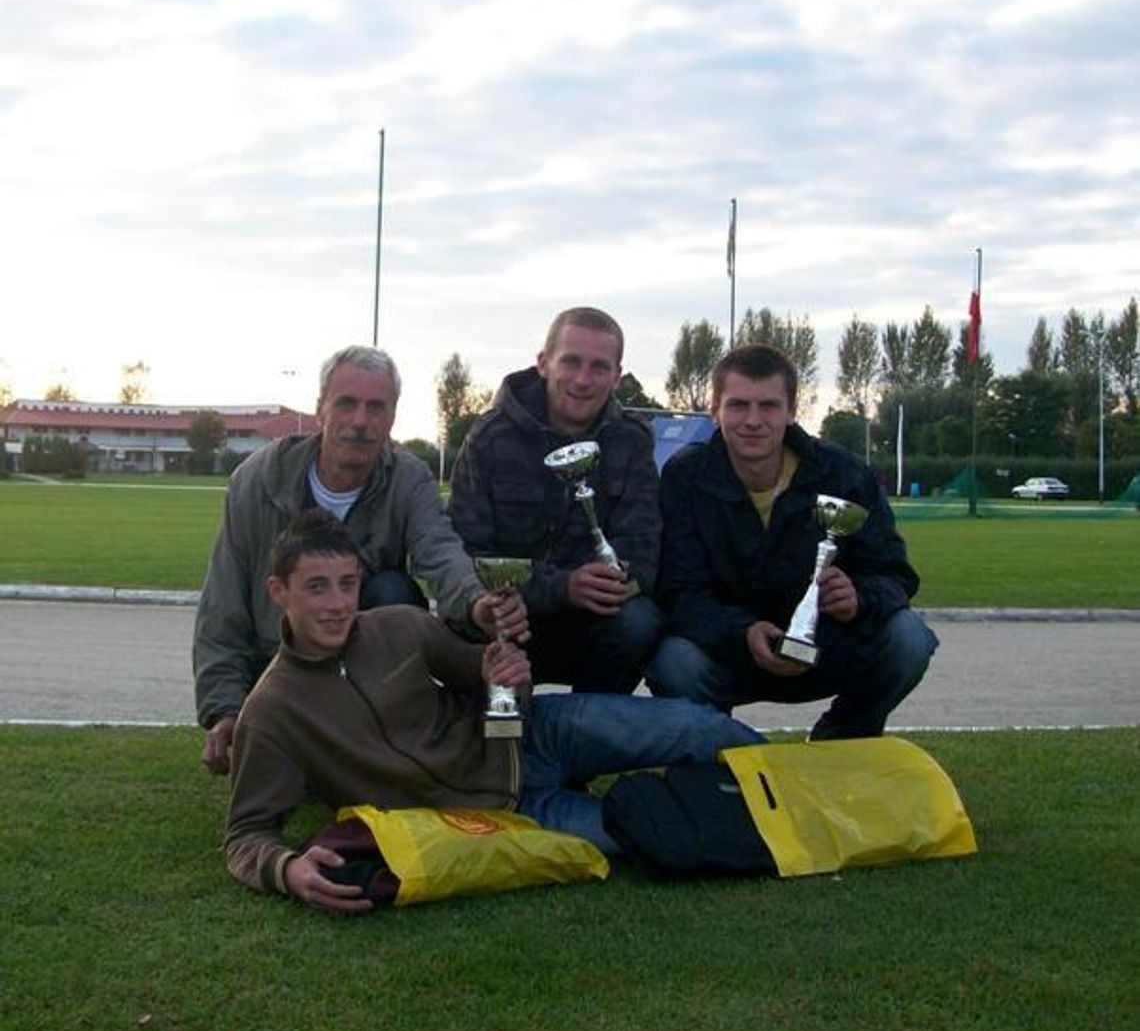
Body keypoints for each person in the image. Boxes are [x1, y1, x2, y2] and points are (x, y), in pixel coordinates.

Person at [225, 509, 763, 911]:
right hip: (499, 811)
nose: (339, 604)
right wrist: (288, 869)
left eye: (347, 584)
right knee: (662, 828)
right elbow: (247, 833)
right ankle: (780, 819)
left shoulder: (399, 625)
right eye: (317, 588)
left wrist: (502, 673)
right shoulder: (272, 711)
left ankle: (813, 782)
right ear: (279, 591)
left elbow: (484, 675)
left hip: (537, 734)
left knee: (696, 725)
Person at [194, 345, 525, 776]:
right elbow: (223, 605)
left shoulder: (409, 478)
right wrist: (226, 710)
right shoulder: (256, 481)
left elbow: (440, 551)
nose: (360, 422)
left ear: (392, 417)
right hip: (280, 664)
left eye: (376, 408)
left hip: (365, 668)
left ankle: (412, 743)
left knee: (393, 591)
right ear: (320, 410)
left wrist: (476, 602)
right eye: (346, 404)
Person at [647, 343, 935, 738]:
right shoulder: (685, 477)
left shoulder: (845, 474)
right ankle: (716, 751)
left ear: (792, 410)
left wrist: (857, 599)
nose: (753, 420)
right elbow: (677, 591)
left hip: (827, 648)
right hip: (731, 650)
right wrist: (743, 631)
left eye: (768, 406)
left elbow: (895, 575)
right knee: (673, 661)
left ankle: (843, 739)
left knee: (909, 637)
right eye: (737, 405)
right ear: (715, 411)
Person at [448, 307, 664, 693]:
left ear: (617, 376)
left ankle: (590, 734)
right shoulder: (489, 438)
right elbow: (466, 549)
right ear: (544, 363)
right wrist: (562, 586)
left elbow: (643, 546)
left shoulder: (633, 441)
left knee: (640, 620)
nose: (583, 379)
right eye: (571, 362)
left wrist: (619, 580)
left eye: (599, 367)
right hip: (506, 617)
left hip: (590, 622)